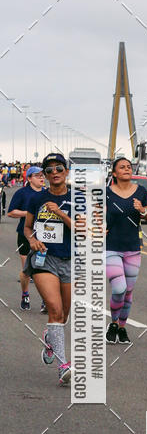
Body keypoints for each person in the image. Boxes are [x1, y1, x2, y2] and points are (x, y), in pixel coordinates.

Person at [23, 153, 73, 386]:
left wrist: (61, 214)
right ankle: (63, 366)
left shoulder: (78, 198)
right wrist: (31, 240)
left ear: (66, 171)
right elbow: (27, 227)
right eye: (49, 169)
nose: (54, 172)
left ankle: (50, 338)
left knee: (64, 315)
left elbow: (84, 230)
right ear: (44, 175)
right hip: (44, 259)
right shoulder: (36, 199)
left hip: (71, 260)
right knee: (54, 309)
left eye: (58, 168)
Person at [105, 157, 147, 344]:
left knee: (129, 292)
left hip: (132, 248)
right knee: (119, 288)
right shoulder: (105, 193)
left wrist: (142, 210)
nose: (126, 169)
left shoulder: (140, 191)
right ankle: (113, 323)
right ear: (114, 173)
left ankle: (122, 328)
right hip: (111, 248)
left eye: (129, 167)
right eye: (122, 167)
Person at [8, 165, 46, 310]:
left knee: (43, 269)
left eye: (42, 175)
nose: (41, 178)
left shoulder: (48, 193)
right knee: (27, 270)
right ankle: (25, 294)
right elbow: (11, 212)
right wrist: (29, 213)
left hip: (44, 235)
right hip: (25, 234)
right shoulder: (22, 193)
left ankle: (45, 300)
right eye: (37, 175)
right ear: (29, 178)